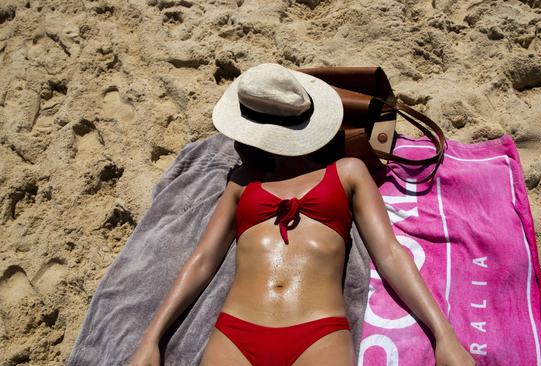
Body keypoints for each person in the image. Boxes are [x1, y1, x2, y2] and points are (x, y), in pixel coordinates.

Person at [128, 63, 474, 366]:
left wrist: (444, 336)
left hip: (318, 333)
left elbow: (389, 253)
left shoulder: (348, 171)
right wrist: (150, 340)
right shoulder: (241, 181)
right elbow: (203, 260)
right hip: (237, 331)